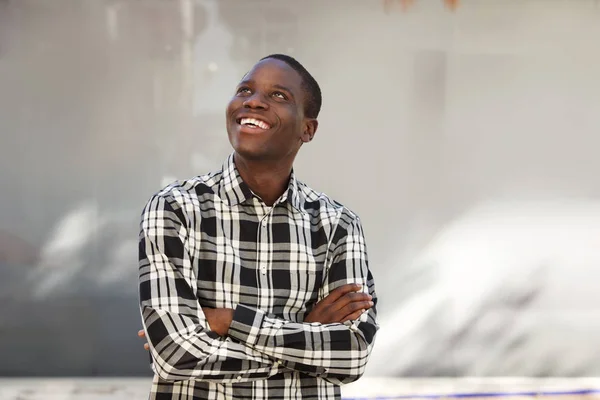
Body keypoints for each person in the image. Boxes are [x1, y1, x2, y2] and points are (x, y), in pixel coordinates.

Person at [138, 54, 379, 400]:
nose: (253, 101)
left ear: (307, 129)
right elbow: (175, 355)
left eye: (278, 96)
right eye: (245, 90)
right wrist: (306, 334)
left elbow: (352, 355)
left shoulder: (337, 225)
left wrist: (230, 321)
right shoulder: (174, 209)